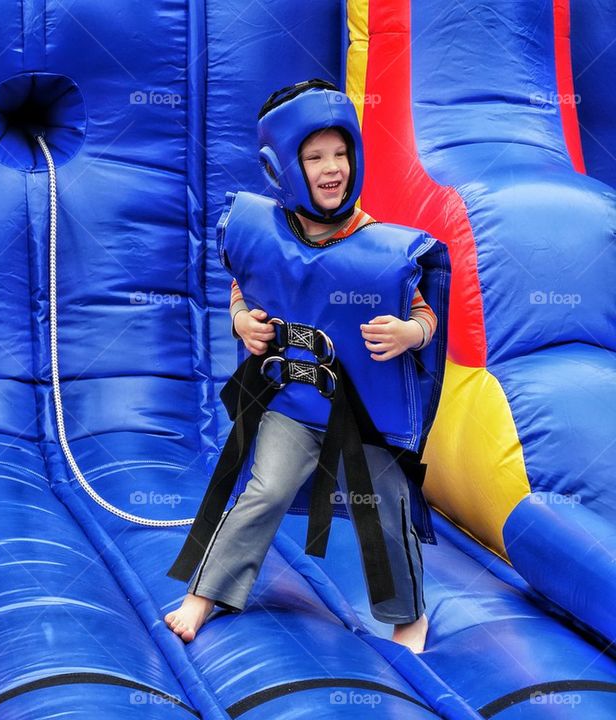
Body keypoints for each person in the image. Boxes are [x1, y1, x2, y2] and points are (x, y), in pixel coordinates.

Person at [164, 80, 450, 654]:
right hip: (293, 409)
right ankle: (207, 590)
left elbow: (427, 318)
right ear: (282, 166)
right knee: (261, 491)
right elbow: (244, 289)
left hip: (364, 418)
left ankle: (407, 617)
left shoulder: (381, 252)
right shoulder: (263, 235)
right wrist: (242, 319)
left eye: (340, 153)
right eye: (315, 156)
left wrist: (408, 332)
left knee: (385, 507)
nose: (332, 168)